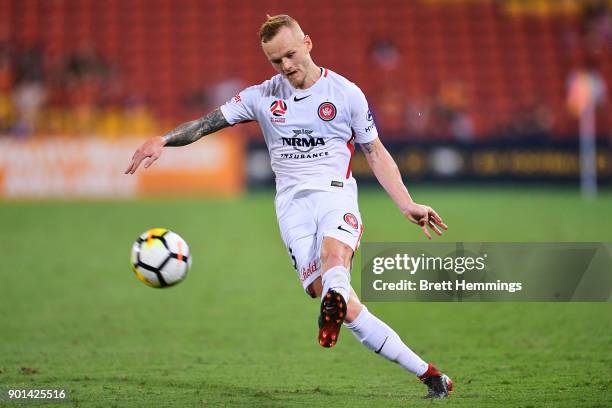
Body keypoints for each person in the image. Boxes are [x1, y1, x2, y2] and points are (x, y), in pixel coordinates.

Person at [125, 14, 452, 399]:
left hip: (335, 194)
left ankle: (335, 294)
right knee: (340, 303)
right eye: (276, 60)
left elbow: (375, 153)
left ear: (308, 43)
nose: (286, 66)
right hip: (291, 206)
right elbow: (207, 123)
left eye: (291, 55)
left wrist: (406, 203)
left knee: (335, 258)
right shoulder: (261, 97)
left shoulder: (346, 94)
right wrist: (162, 139)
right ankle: (430, 375)